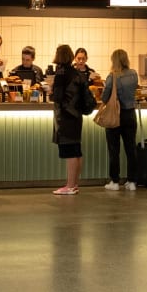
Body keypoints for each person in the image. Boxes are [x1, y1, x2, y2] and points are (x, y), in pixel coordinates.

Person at [102, 49, 139, 191]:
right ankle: (132, 181)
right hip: (130, 114)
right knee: (131, 148)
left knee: (114, 149)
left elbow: (105, 97)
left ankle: (115, 181)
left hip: (115, 115)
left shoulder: (112, 76)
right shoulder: (134, 74)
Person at [51, 44, 84, 195]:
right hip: (77, 115)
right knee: (76, 151)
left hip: (65, 117)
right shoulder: (76, 72)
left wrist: (50, 90)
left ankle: (69, 186)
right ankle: (74, 184)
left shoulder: (61, 73)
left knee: (70, 151)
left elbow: (58, 97)